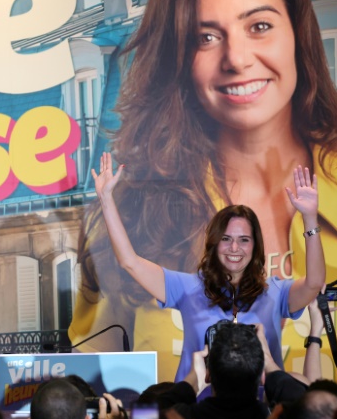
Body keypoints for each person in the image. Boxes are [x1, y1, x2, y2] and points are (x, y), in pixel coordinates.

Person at [70, 0, 337, 381]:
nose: (237, 58)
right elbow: (96, 380)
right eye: (205, 37)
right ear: (178, 58)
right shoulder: (131, 211)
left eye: (260, 25)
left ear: (298, 36)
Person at [91, 151, 323, 381]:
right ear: (213, 242)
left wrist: (310, 218)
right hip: (200, 410)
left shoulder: (274, 292)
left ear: (255, 246)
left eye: (244, 240)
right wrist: (107, 199)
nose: (235, 248)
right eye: (226, 239)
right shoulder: (187, 287)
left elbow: (314, 282)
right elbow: (129, 262)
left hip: (260, 411)